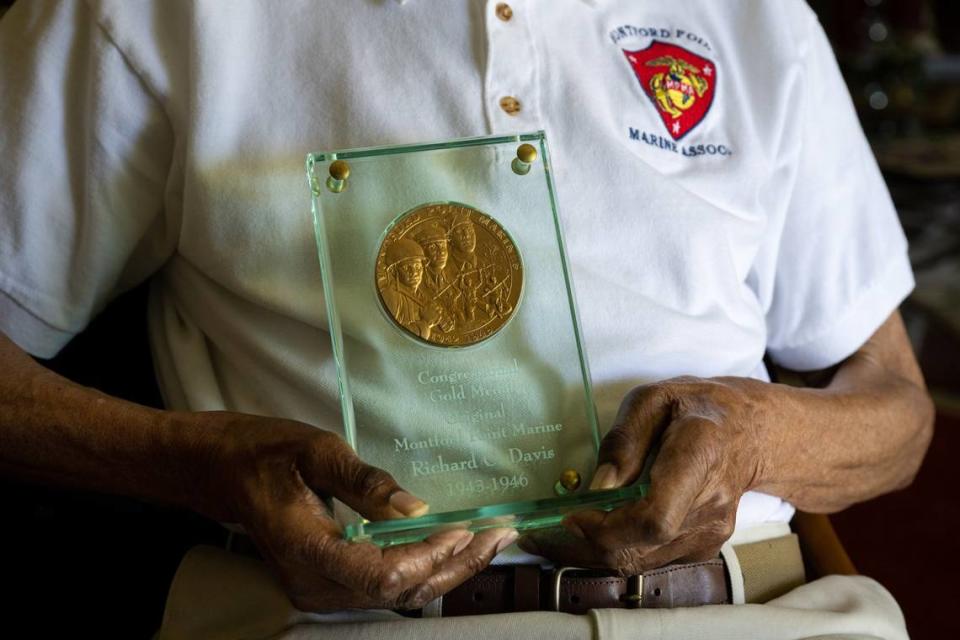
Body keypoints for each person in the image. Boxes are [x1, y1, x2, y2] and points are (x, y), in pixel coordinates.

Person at [0, 1, 934, 639]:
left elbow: (897, 410)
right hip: (349, 626)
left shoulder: (758, 18)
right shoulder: (141, 17)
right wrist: (205, 468)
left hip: (754, 613)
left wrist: (757, 438)